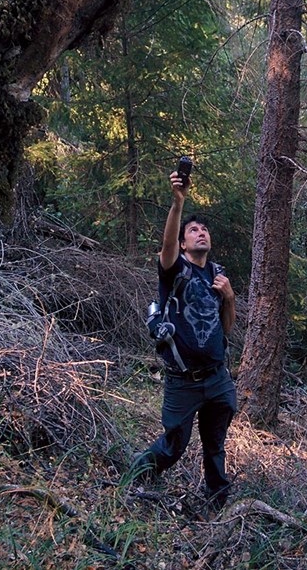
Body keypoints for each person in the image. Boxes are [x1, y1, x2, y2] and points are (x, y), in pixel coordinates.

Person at [131, 166, 237, 511]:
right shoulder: (175, 267)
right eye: (193, 230)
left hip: (218, 378)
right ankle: (133, 479)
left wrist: (231, 298)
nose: (200, 233)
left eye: (204, 229)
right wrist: (178, 203)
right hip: (183, 381)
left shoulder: (218, 275)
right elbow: (165, 244)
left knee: (215, 446)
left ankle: (219, 503)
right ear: (183, 242)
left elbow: (227, 329)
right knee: (174, 445)